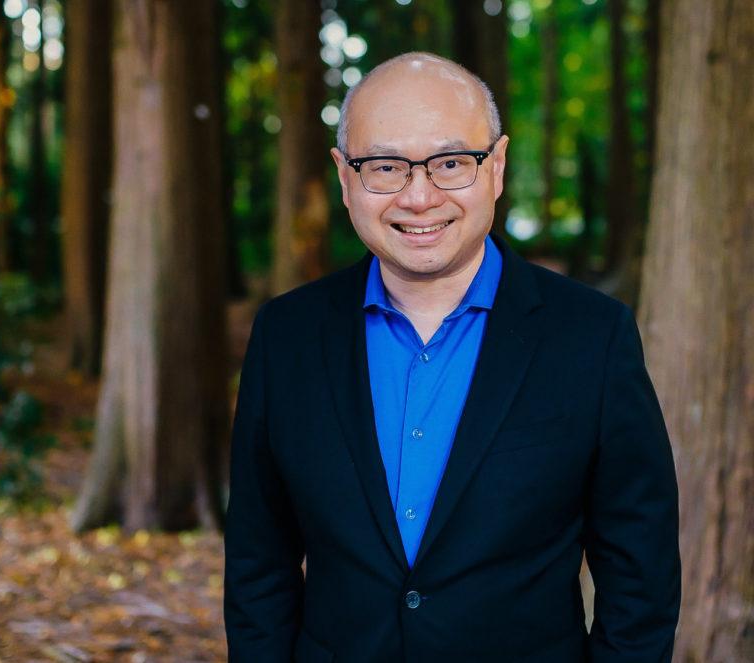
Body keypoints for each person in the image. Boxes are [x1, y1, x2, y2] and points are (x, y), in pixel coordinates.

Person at [223, 52, 680, 662]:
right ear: (344, 176)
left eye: (450, 163)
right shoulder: (286, 336)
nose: (419, 196)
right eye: (385, 166)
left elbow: (640, 573)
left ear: (496, 168)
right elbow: (259, 560)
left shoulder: (593, 337)